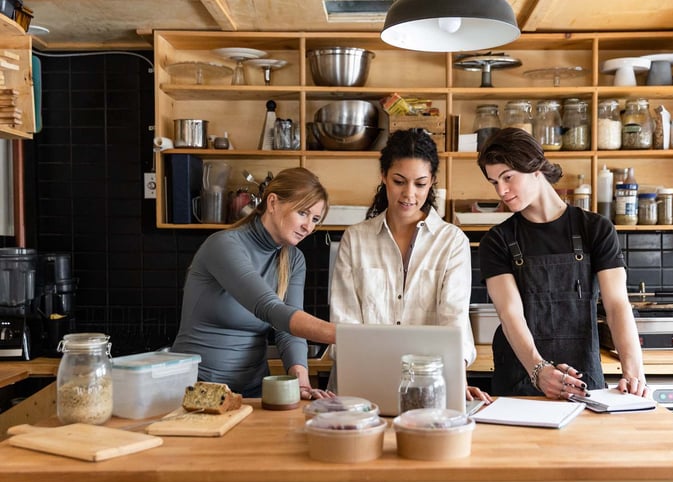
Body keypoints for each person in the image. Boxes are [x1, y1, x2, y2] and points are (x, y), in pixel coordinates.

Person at [477, 128, 647, 399]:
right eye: (494, 182)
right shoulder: (497, 241)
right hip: (520, 380)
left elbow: (617, 305)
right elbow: (510, 315)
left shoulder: (595, 229)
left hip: (584, 380)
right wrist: (538, 370)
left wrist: (634, 373)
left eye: (508, 177)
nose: (501, 190)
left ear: (536, 168)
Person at [329, 128, 491, 404]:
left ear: (432, 183)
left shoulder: (451, 242)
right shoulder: (355, 239)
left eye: (420, 183)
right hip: (359, 384)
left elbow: (454, 317)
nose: (409, 194)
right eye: (399, 181)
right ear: (383, 177)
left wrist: (458, 379)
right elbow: (344, 324)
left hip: (428, 386)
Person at [172, 167, 335, 400]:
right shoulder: (224, 245)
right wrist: (344, 334)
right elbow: (270, 308)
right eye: (302, 213)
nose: (309, 227)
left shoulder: (294, 259)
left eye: (315, 219)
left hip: (253, 393)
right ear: (273, 203)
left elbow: (288, 330)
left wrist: (302, 385)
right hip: (198, 390)